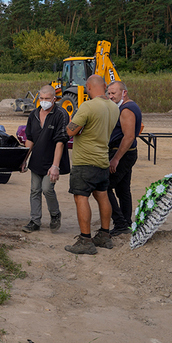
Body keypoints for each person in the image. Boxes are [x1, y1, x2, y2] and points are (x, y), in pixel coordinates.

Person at [64, 75, 120, 254]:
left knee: (81, 197)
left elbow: (70, 130)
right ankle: (104, 235)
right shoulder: (113, 107)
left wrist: (73, 125)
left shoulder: (87, 106)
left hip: (85, 161)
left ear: (88, 87)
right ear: (104, 86)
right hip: (102, 159)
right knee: (102, 196)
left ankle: (85, 239)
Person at [21, 85, 70, 233]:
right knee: (34, 190)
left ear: (54, 98)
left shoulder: (60, 114)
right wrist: (24, 159)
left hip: (52, 160)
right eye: (41, 98)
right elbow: (29, 139)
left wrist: (55, 166)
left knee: (47, 189)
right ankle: (35, 221)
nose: (44, 101)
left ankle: (55, 214)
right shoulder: (34, 115)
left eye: (47, 99)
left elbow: (60, 142)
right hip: (36, 159)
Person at [106, 80, 142, 236]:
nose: (110, 96)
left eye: (113, 93)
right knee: (122, 189)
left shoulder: (127, 110)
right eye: (109, 93)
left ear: (124, 92)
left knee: (104, 186)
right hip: (126, 152)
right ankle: (126, 222)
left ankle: (120, 223)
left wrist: (116, 158)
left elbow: (129, 136)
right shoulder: (125, 107)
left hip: (123, 153)